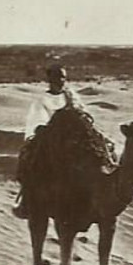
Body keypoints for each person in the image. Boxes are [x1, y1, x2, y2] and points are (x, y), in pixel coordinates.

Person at [14, 62, 87, 218]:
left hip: (74, 136)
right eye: (57, 77)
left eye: (63, 77)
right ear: (49, 79)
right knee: (31, 160)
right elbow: (38, 122)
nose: (61, 80)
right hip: (51, 137)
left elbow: (82, 113)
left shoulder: (71, 95)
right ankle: (27, 200)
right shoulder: (41, 100)